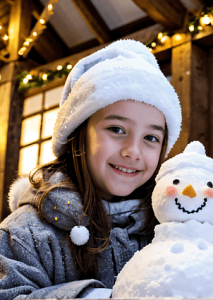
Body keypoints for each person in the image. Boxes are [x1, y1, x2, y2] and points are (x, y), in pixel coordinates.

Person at [0, 39, 182, 299]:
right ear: (78, 133)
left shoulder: (171, 223)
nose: (133, 150)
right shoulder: (25, 232)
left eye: (151, 138)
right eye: (116, 129)